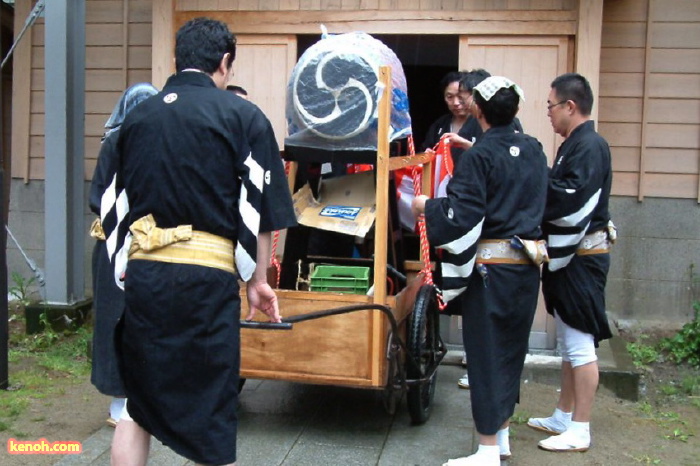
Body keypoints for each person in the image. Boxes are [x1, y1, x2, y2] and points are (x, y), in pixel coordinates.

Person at [110, 17, 297, 466]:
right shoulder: (243, 116)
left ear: (178, 59)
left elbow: (115, 201)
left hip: (146, 275)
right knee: (211, 410)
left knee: (139, 404)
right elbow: (261, 208)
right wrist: (257, 280)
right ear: (225, 62)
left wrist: (125, 265)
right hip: (204, 280)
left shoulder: (137, 118)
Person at [412, 76, 549, 466]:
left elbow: (461, 216)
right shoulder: (535, 149)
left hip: (490, 271)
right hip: (526, 268)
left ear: (479, 111)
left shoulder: (480, 157)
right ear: (517, 111)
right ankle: (500, 437)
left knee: (487, 354)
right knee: (511, 351)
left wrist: (426, 205)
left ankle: (487, 449)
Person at [527, 72, 615, 453]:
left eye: (550, 106)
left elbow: (573, 200)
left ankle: (581, 427)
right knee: (568, 341)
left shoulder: (590, 145)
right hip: (573, 259)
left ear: (570, 106)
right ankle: (564, 414)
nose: (547, 113)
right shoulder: (573, 145)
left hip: (582, 259)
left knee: (580, 345)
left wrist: (531, 179)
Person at [444, 68, 524, 391]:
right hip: (515, 249)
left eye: (467, 95)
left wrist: (430, 209)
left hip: (494, 242)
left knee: (490, 318)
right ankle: (490, 376)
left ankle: (489, 379)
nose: (463, 101)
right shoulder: (529, 147)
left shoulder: (492, 146)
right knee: (499, 320)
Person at [88, 82, 158, 428]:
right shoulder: (115, 142)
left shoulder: (161, 145)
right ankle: (120, 400)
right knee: (115, 320)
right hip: (114, 245)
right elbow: (97, 198)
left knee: (145, 320)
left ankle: (143, 395)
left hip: (150, 245)